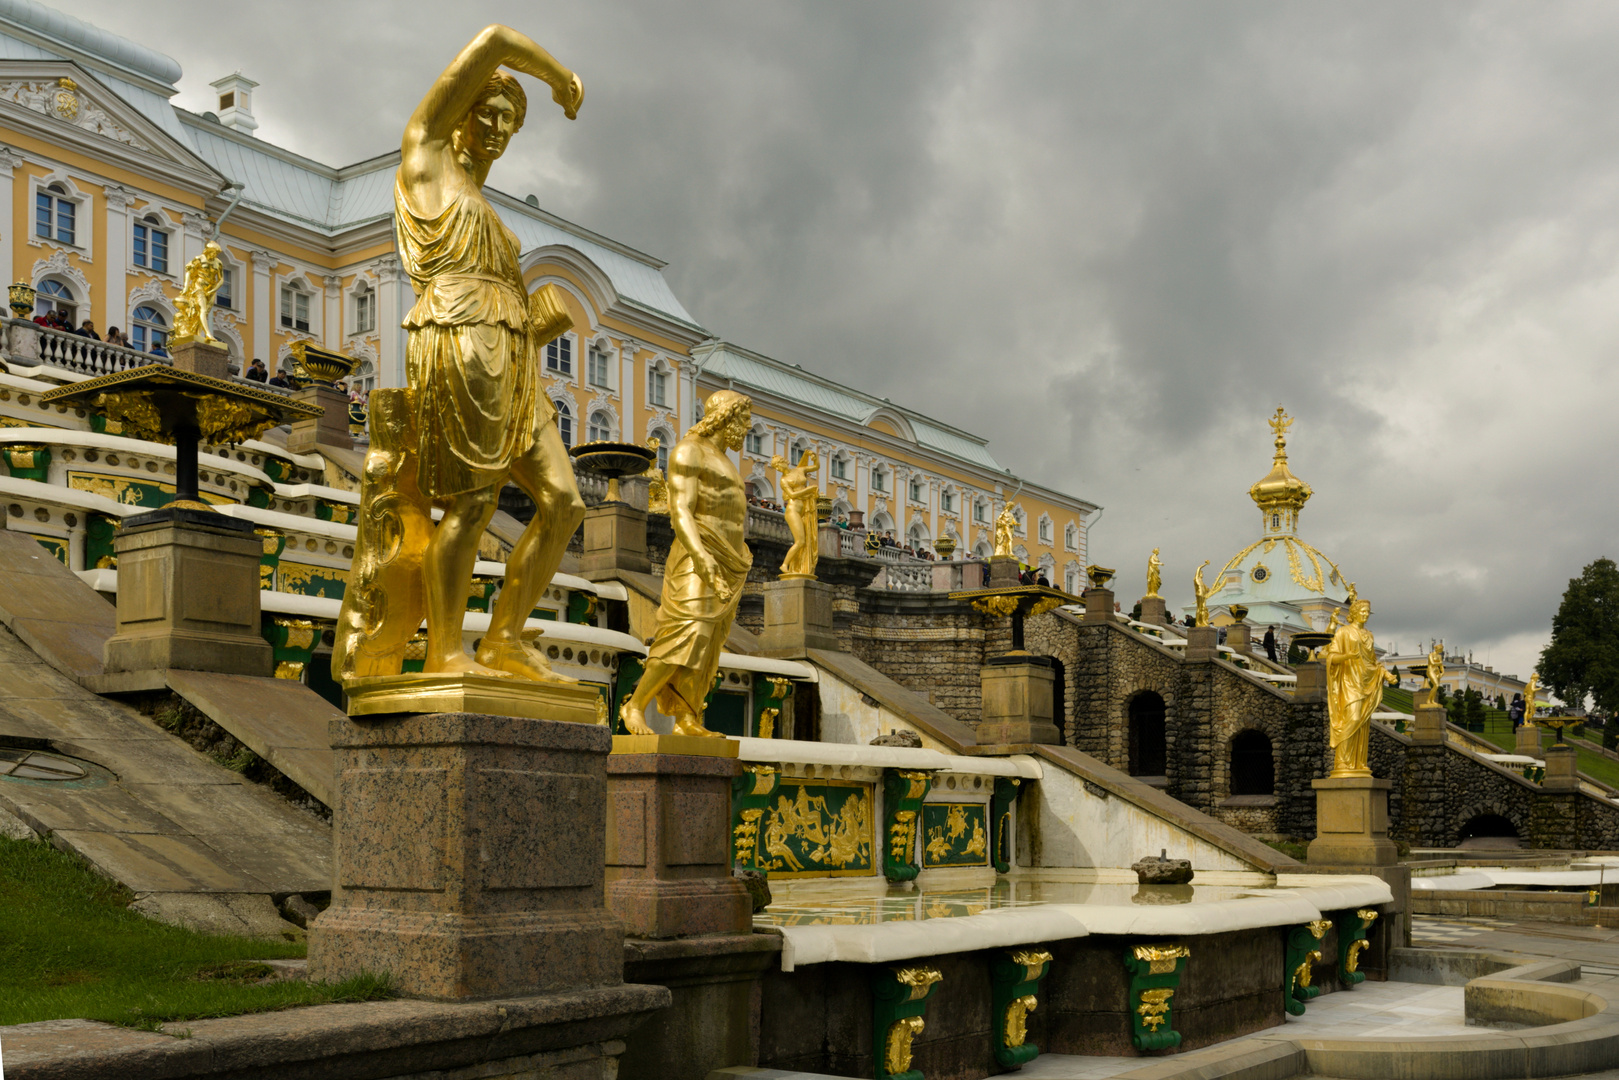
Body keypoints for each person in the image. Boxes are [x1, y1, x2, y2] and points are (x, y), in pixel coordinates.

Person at [392, 24, 585, 680]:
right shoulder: (426, 161)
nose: (500, 127)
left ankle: (504, 638)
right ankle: (446, 652)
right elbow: (494, 40)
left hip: (514, 357)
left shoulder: (492, 215)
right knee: (472, 505)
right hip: (455, 338)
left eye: (512, 119)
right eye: (490, 112)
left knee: (564, 502)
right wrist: (556, 76)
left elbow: (507, 305)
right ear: (462, 113)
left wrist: (537, 322)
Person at [620, 391, 754, 736]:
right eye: (742, 418)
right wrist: (702, 556)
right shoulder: (689, 450)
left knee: (708, 644)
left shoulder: (724, 459)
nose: (747, 426)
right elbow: (680, 511)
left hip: (730, 559)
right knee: (687, 633)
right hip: (699, 554)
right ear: (724, 417)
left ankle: (686, 717)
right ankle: (635, 705)